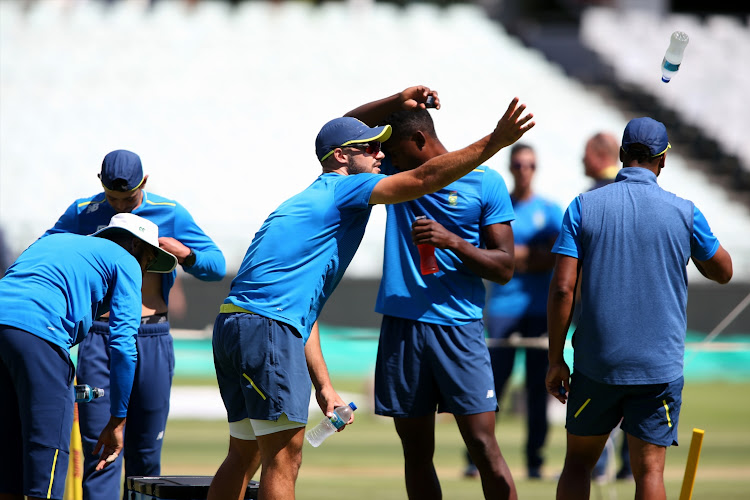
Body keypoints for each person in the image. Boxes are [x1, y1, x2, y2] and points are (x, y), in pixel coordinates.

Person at [207, 85, 535, 500]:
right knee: (284, 456)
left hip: (237, 321)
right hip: (272, 328)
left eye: (384, 148)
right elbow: (422, 175)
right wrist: (495, 141)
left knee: (245, 452)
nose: (382, 156)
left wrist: (323, 385)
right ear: (343, 157)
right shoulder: (349, 189)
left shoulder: (308, 197)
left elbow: (299, 310)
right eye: (371, 149)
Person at [545, 117, 733, 500]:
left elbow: (563, 289)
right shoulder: (684, 211)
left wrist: (555, 360)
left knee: (578, 465)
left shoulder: (583, 206)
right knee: (649, 472)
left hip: (597, 364)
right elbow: (723, 271)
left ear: (620, 155)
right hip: (657, 367)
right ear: (663, 160)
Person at [343, 93, 519, 499]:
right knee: (417, 452)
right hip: (403, 327)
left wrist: (453, 242)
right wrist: (399, 95)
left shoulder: (485, 182)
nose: (384, 158)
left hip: (459, 327)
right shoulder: (393, 175)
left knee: (483, 446)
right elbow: (345, 127)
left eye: (394, 149)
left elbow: (505, 267)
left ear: (420, 140)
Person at [42, 149, 226, 500]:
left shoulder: (169, 212)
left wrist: (185, 254)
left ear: (145, 183)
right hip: (99, 338)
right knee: (102, 452)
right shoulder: (84, 212)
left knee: (145, 456)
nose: (120, 206)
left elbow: (216, 266)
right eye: (112, 198)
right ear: (100, 185)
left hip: (153, 337)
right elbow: (44, 248)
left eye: (128, 199)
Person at [0, 213, 177, 500]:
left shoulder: (55, 241)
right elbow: (122, 346)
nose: (144, 271)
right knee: (48, 455)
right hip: (40, 333)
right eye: (147, 261)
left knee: (8, 456)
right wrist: (118, 420)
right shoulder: (126, 260)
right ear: (135, 246)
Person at [462, 143, 561, 481]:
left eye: (529, 164)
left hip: (537, 311)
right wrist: (524, 255)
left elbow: (553, 256)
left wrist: (512, 256)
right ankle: (475, 459)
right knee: (490, 388)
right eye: (518, 164)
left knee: (539, 391)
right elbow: (485, 253)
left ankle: (534, 461)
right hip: (502, 310)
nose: (523, 170)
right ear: (510, 166)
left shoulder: (549, 211)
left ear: (536, 168)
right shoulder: (495, 206)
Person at [581, 131, 631, 481]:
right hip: (641, 312)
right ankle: (630, 467)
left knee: (602, 392)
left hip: (601, 312)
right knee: (639, 392)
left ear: (599, 156)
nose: (581, 161)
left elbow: (572, 273)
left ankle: (596, 466)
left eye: (585, 154)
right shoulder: (637, 195)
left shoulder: (593, 198)